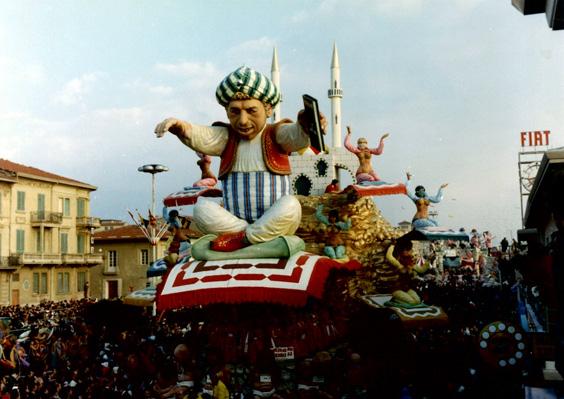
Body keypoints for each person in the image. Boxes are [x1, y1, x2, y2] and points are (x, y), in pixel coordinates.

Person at [155, 66, 325, 252]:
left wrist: (304, 125)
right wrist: (180, 126)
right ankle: (250, 237)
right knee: (201, 210)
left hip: (273, 218)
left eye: (251, 111)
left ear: (268, 109)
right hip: (235, 223)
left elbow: (295, 135)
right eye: (235, 112)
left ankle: (243, 238)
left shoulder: (275, 135)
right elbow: (202, 135)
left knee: (291, 206)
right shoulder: (227, 137)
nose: (243, 121)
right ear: (227, 111)